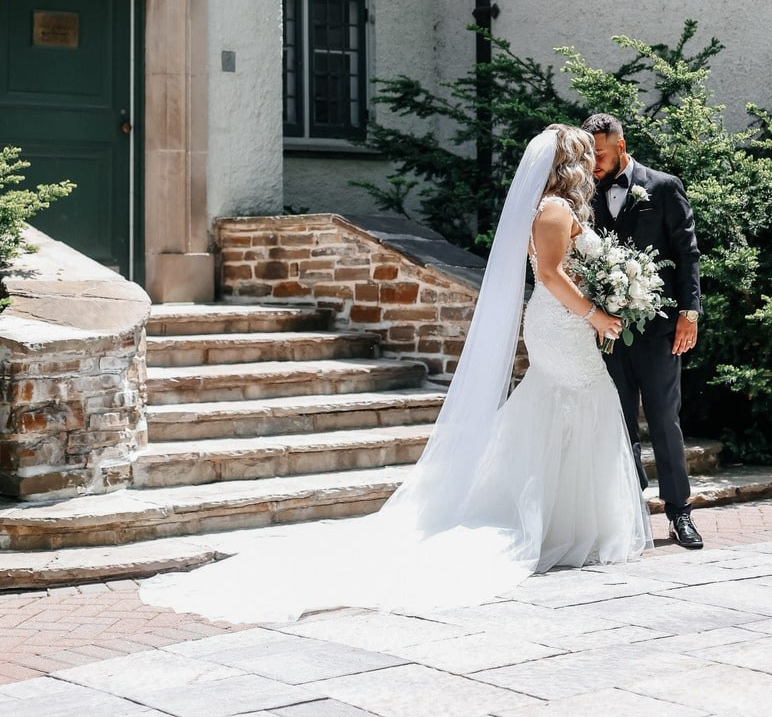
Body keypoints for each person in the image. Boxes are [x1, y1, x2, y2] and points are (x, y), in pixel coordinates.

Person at [141, 125, 650, 624]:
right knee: (575, 400)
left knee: (560, 406)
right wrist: (596, 314)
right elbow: (552, 275)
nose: (591, 167)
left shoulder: (545, 208)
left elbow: (560, 271)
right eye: (585, 158)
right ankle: (556, 523)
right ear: (570, 165)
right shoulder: (555, 209)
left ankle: (561, 519)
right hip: (562, 324)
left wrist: (604, 296)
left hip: (561, 322)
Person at [581, 112, 703, 550]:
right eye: (588, 155)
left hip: (659, 330)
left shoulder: (664, 187)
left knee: (664, 419)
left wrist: (690, 312)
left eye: (599, 154)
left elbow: (687, 252)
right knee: (618, 422)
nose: (593, 163)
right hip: (605, 331)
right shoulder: (583, 192)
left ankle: (679, 512)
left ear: (621, 146)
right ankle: (631, 510)